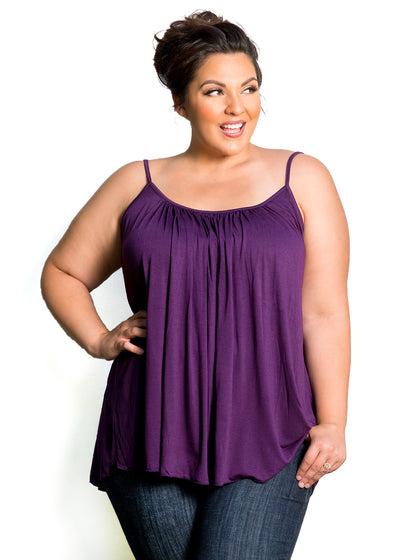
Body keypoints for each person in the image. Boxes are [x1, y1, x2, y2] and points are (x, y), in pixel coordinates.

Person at [41, 10, 350, 560]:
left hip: (272, 427)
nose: (238, 108)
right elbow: (63, 272)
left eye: (249, 88)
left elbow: (323, 312)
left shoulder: (303, 178)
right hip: (149, 430)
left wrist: (333, 422)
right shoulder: (135, 184)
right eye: (214, 92)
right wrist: (98, 339)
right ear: (180, 103)